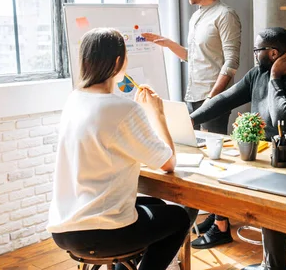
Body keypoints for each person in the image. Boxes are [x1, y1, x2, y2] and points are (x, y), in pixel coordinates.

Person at [47, 28, 191, 270]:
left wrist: (133, 115)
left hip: (64, 228)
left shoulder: (74, 100)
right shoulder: (123, 110)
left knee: (155, 205)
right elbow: (168, 163)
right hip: (101, 232)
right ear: (118, 62)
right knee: (179, 217)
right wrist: (157, 114)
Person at [190, 26, 286, 268]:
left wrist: (275, 78)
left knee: (265, 191)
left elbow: (281, 117)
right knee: (207, 173)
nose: (253, 55)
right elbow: (225, 99)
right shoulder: (256, 74)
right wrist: (191, 119)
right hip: (255, 155)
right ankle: (222, 226)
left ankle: (273, 266)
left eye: (256, 50)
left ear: (273, 54)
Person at [141, 0, 241, 246]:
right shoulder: (196, 17)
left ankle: (221, 227)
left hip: (214, 99)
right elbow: (195, 57)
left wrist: (212, 99)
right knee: (195, 159)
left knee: (215, 162)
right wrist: (168, 44)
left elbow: (230, 64)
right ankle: (214, 213)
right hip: (192, 96)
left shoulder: (225, 16)